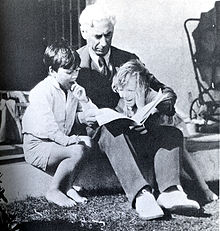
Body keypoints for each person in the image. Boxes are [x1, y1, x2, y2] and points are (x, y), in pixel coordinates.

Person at [75, 3, 201, 220]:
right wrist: (81, 116)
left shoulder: (127, 58)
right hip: (102, 136)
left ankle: (170, 192)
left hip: (135, 128)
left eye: (108, 35)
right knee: (109, 130)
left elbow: (165, 90)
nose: (103, 43)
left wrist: (158, 107)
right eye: (97, 36)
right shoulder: (74, 63)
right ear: (83, 31)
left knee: (171, 134)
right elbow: (59, 106)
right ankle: (142, 194)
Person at [112, 59, 218, 204]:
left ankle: (203, 188)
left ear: (143, 88)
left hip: (166, 130)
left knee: (180, 152)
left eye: (130, 91)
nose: (125, 95)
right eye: (120, 90)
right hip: (146, 139)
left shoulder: (154, 98)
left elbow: (161, 121)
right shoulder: (124, 99)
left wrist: (143, 108)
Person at [22, 39, 96, 207]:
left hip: (56, 143)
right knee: (77, 149)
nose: (74, 76)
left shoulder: (71, 89)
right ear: (52, 71)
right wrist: (72, 140)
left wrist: (84, 100)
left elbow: (91, 116)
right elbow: (49, 128)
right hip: (38, 144)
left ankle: (67, 187)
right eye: (68, 72)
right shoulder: (42, 91)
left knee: (88, 143)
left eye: (76, 70)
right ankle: (54, 190)